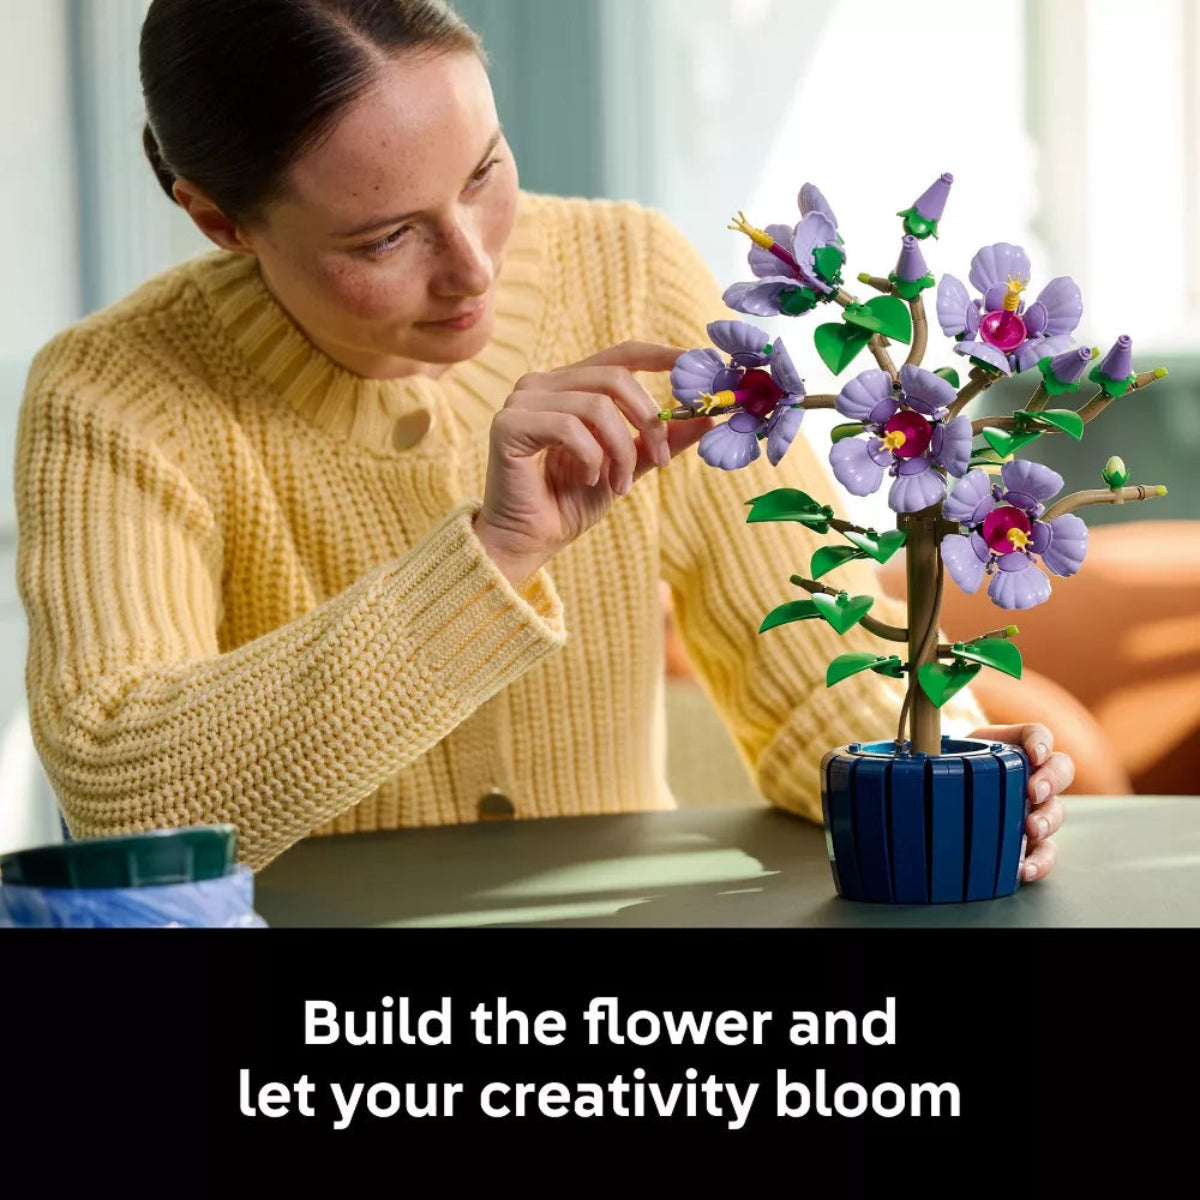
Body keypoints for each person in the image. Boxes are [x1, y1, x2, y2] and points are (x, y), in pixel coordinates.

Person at [15, 0, 1071, 875]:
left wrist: (949, 767)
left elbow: (808, 668)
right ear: (219, 220)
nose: (473, 265)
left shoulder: (628, 273)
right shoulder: (114, 396)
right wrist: (494, 556)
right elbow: (130, 800)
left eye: (482, 172)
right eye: (386, 236)